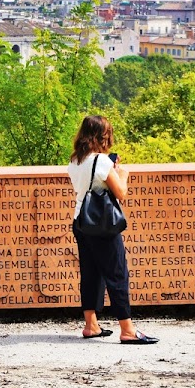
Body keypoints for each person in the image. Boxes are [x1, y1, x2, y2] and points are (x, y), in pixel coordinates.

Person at [68, 115, 158, 344]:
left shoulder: (75, 160)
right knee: (117, 273)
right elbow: (121, 193)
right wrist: (123, 174)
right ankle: (127, 330)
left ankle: (91, 325)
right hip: (103, 226)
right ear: (102, 136)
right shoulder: (102, 162)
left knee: (90, 274)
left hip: (81, 221)